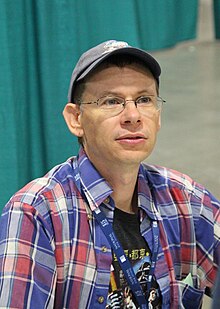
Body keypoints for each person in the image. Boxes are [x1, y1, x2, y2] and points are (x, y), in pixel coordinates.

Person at [0, 39, 219, 309]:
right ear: (75, 119)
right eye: (111, 101)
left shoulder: (185, 198)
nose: (133, 115)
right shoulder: (36, 212)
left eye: (144, 100)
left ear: (158, 116)